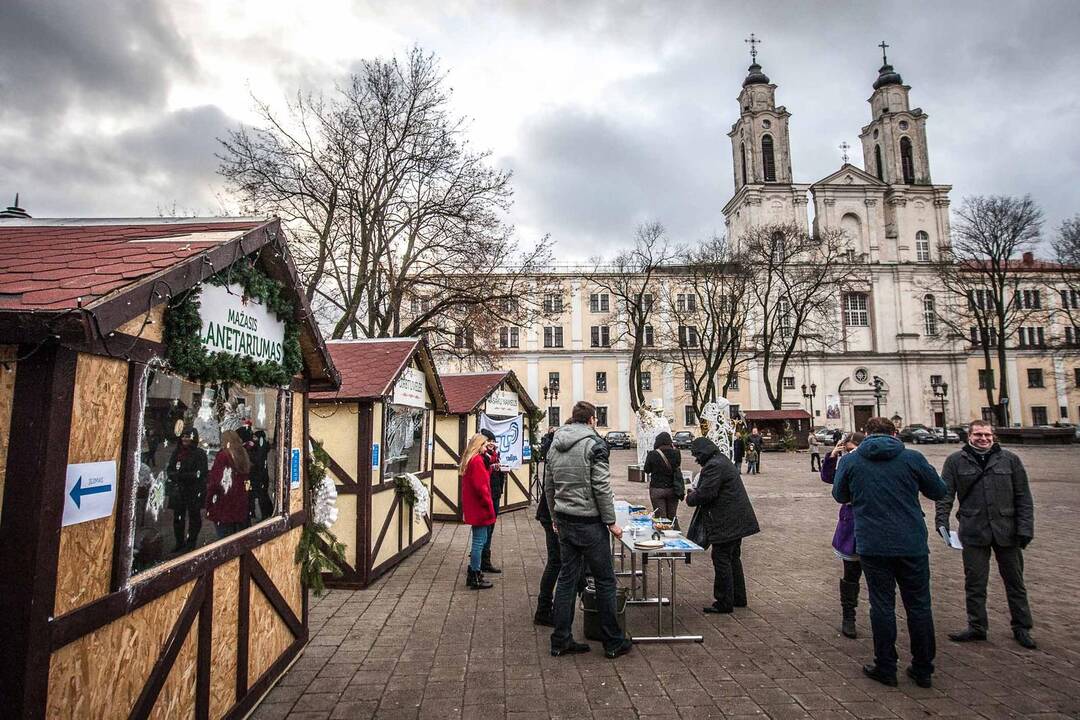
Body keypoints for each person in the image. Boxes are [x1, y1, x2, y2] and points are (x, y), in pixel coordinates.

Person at [832, 417, 946, 689]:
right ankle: (922, 668)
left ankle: (886, 665)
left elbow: (839, 495)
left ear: (867, 434)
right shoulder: (913, 458)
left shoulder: (851, 461)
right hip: (911, 541)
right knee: (919, 605)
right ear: (895, 433)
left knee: (881, 605)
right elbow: (938, 490)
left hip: (872, 542)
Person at [935, 419, 1036, 649]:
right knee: (975, 581)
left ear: (994, 437)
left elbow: (1023, 497)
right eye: (978, 434)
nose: (983, 438)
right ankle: (977, 626)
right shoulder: (955, 461)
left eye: (987, 435)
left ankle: (1022, 627)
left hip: (1006, 530)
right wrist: (941, 521)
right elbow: (945, 494)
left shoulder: (1010, 460)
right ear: (969, 436)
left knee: (1015, 581)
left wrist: (1025, 528)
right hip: (973, 529)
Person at [545, 401, 633, 660]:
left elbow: (549, 486)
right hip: (590, 522)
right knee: (605, 580)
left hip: (564, 519)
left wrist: (554, 517)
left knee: (566, 580)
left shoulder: (555, 444)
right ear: (592, 420)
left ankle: (560, 639)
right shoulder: (595, 445)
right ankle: (613, 641)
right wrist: (611, 522)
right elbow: (602, 487)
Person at [686, 437, 760, 614]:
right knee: (733, 558)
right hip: (737, 520)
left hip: (727, 521)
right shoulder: (721, 460)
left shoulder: (714, 466)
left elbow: (706, 493)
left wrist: (691, 497)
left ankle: (724, 601)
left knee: (721, 558)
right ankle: (738, 597)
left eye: (697, 456)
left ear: (703, 453)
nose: (696, 459)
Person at [821, 432, 866, 638]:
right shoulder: (847, 463)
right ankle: (849, 615)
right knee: (851, 574)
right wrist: (832, 456)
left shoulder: (868, 463)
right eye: (847, 450)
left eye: (852, 449)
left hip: (871, 527)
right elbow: (830, 479)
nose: (849, 453)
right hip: (851, 526)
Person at [460, 433, 496, 589]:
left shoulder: (472, 460)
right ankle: (475, 574)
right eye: (484, 444)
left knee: (479, 540)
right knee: (479, 542)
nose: (485, 447)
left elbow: (483, 476)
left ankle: (474, 572)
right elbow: (482, 488)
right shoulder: (477, 461)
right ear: (478, 445)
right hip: (480, 507)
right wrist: (489, 507)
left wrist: (492, 459)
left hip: (474, 506)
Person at [167, 428, 209, 552]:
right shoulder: (177, 452)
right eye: (183, 436)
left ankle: (191, 542)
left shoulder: (199, 453)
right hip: (179, 490)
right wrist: (173, 475)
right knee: (178, 517)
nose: (185, 439)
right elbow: (170, 468)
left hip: (193, 490)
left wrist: (181, 476)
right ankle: (179, 542)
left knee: (194, 517)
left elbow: (200, 473)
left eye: (188, 436)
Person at [205, 429, 251, 539]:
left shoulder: (223, 456)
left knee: (225, 539)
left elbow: (216, 482)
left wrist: (209, 502)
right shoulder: (243, 455)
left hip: (224, 504)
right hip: (239, 504)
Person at [642, 432, 684, 521]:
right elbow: (677, 466)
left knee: (661, 519)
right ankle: (675, 533)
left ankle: (662, 533)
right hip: (673, 489)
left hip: (657, 489)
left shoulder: (652, 454)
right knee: (672, 518)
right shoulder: (676, 453)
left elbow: (646, 470)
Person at [479, 428, 504, 574]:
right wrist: (492, 467)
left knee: (491, 527)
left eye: (493, 441)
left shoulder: (494, 455)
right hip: (488, 494)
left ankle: (484, 558)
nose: (492, 444)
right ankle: (482, 560)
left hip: (495, 492)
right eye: (489, 441)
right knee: (485, 528)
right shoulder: (482, 457)